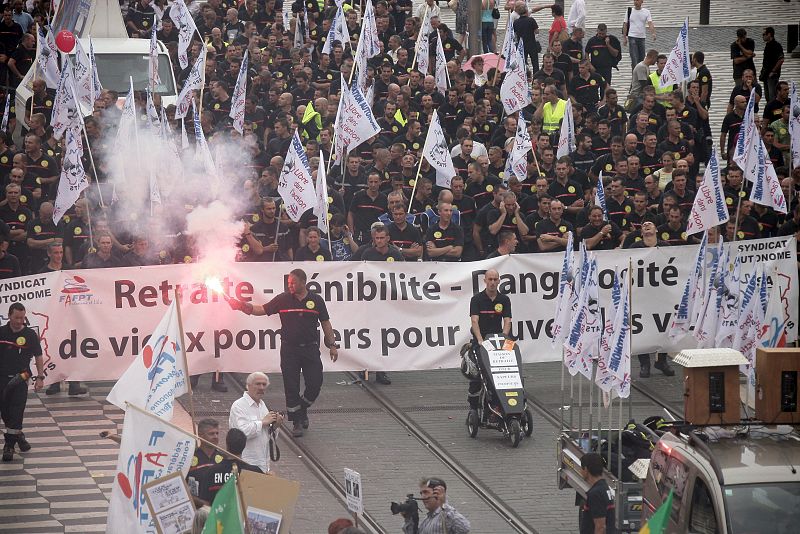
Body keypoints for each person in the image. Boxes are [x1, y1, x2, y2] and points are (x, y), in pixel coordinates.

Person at [227, 269, 338, 437]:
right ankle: (297, 421)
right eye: (288, 284)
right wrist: (242, 306)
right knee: (291, 386)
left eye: (293, 283)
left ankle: (302, 408)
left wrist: (332, 345)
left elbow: (326, 323)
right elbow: (261, 309)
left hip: (310, 348)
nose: (290, 286)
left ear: (303, 282)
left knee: (315, 383)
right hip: (289, 350)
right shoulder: (283, 299)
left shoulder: (316, 300)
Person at [0, 303, 44, 461]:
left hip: (21, 378)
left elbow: (38, 356)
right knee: (5, 412)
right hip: (2, 378)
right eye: (17, 317)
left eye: (22, 317)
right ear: (9, 316)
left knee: (16, 411)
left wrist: (40, 376)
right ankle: (18, 435)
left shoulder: (30, 335)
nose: (20, 321)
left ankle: (9, 445)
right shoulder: (2, 332)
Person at [467, 269, 511, 411]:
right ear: (485, 280)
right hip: (481, 341)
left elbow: (507, 321)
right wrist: (480, 340)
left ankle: (503, 401)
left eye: (495, 279)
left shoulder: (504, 299)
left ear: (499, 281)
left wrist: (504, 338)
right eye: (490, 279)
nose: (492, 282)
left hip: (497, 340)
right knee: (479, 373)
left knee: (508, 368)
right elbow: (474, 321)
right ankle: (473, 406)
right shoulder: (476, 299)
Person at [228, 372, 283, 472]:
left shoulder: (262, 405)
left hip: (263, 463)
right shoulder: (239, 405)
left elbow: (265, 434)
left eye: (264, 384)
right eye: (258, 384)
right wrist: (262, 422)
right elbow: (240, 434)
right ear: (248, 385)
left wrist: (275, 427)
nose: (261, 387)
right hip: (246, 462)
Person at [193, 428, 263, 505]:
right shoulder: (255, 472)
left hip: (218, 516)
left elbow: (205, 502)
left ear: (227, 445)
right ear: (244, 445)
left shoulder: (211, 472)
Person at [402, 477, 470, 534]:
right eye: (421, 493)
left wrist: (443, 504)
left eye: (426, 492)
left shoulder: (446, 515)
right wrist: (408, 517)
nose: (422, 497)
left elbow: (464, 528)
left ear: (438, 493)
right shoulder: (427, 520)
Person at [580, 453, 616, 534]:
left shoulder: (595, 493)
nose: (580, 471)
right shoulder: (604, 487)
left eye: (581, 468)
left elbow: (600, 527)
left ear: (586, 469)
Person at [622, 0, 655, 69]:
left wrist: (653, 33)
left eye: (637, 0)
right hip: (632, 36)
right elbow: (625, 24)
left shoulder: (646, 12)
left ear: (642, 1)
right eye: (634, 0)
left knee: (642, 58)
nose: (635, 2)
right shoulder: (629, 11)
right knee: (634, 58)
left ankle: (641, 74)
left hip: (642, 37)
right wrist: (624, 37)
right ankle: (635, 76)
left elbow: (650, 23)